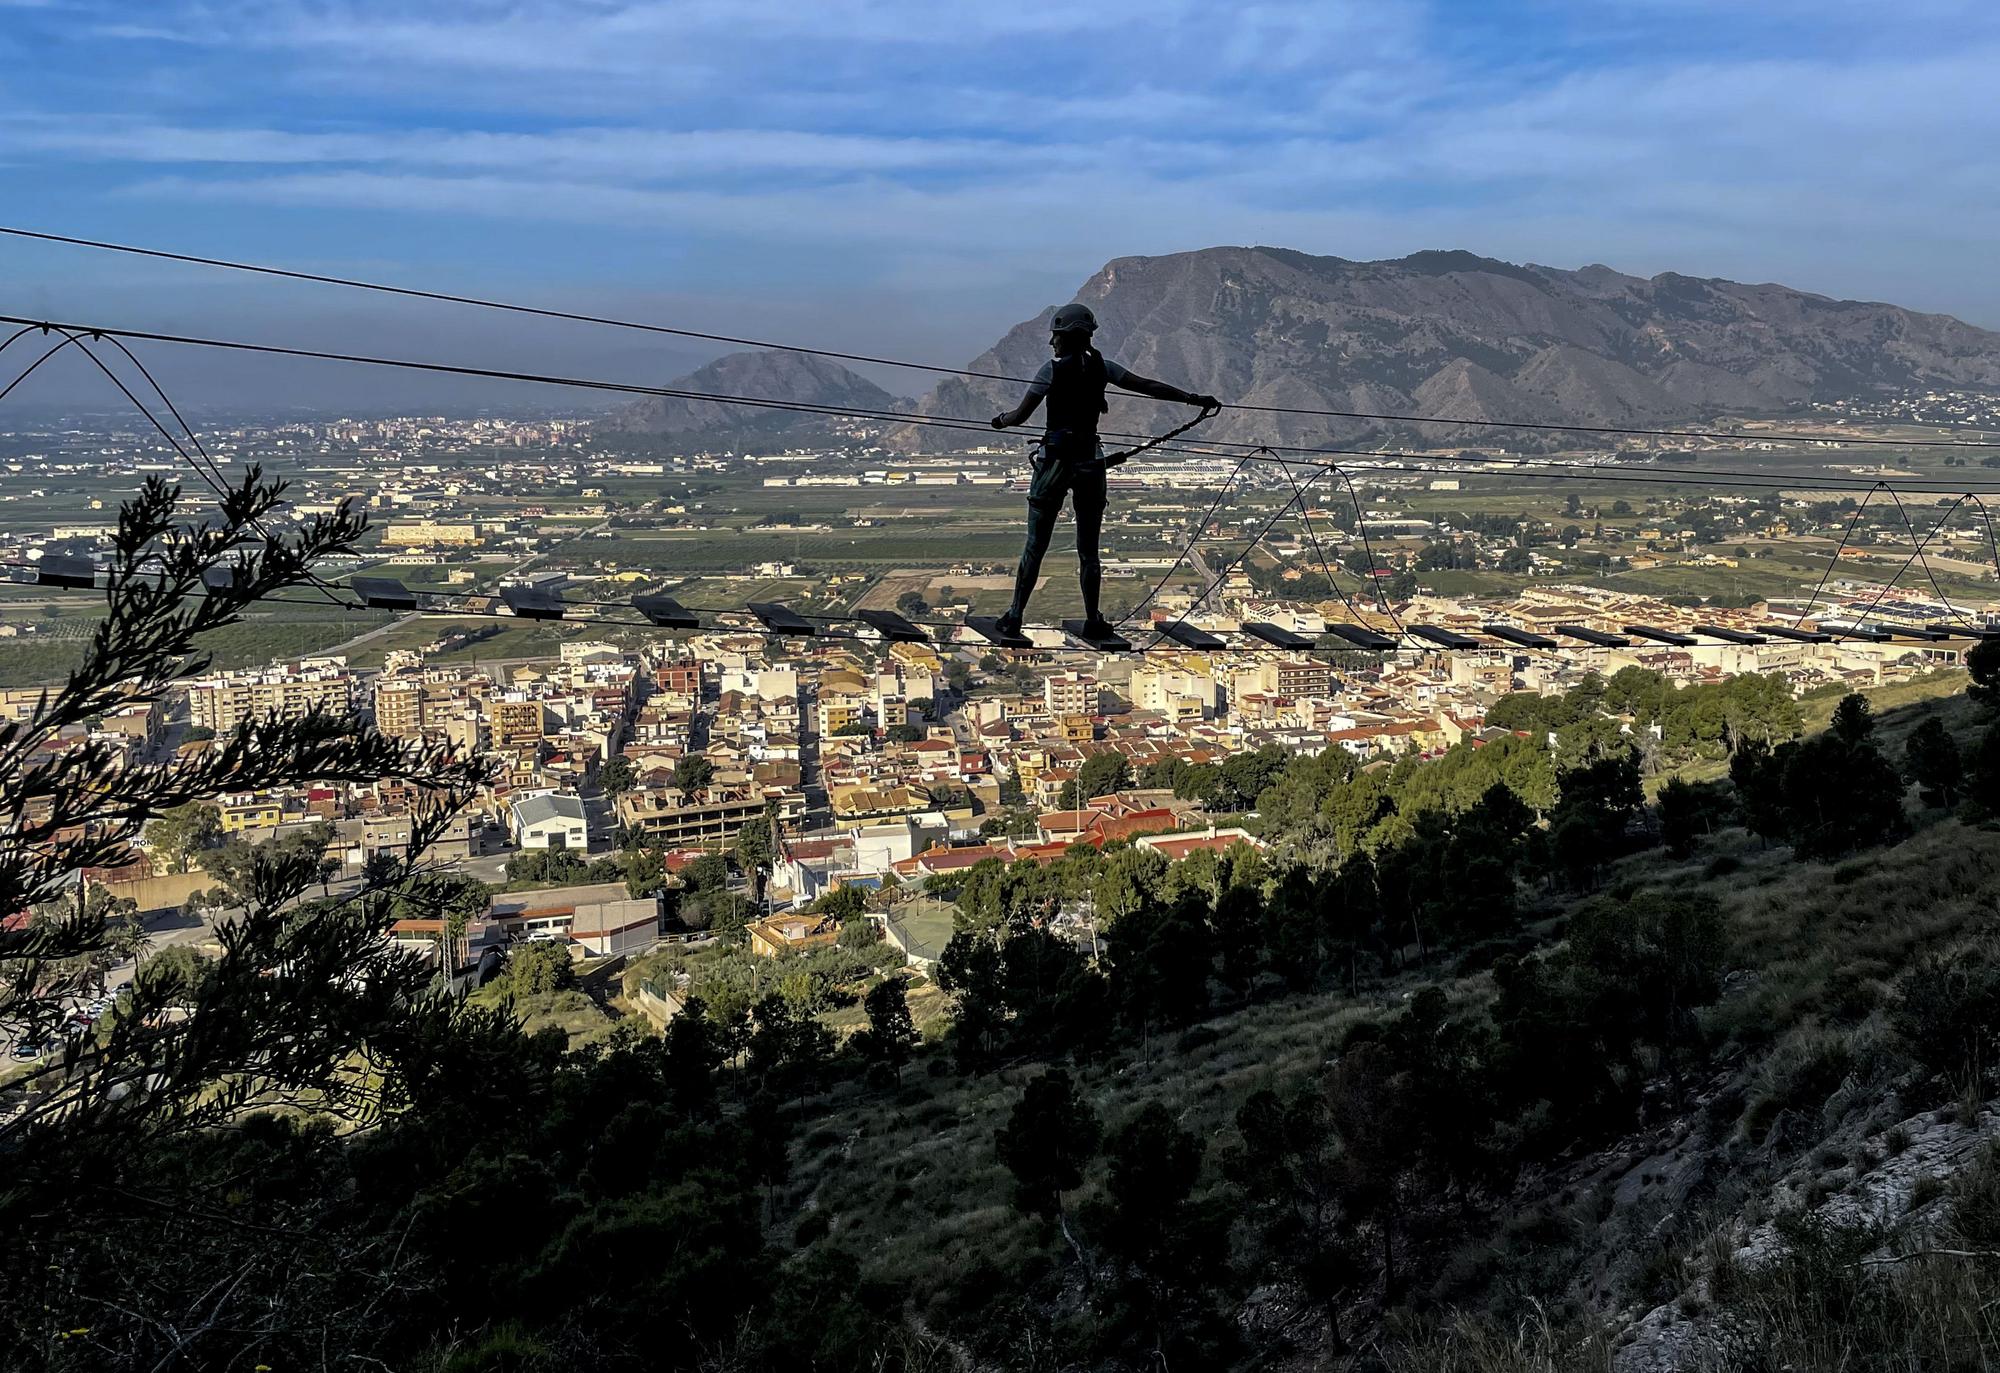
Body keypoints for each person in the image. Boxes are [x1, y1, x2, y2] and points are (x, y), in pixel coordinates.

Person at [989, 303, 1217, 640]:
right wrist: (1192, 399)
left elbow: (1021, 415)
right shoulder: (1103, 368)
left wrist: (1000, 420)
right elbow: (1148, 385)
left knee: (1036, 545)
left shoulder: (1049, 372)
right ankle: (1093, 618)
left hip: (1055, 462)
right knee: (1089, 550)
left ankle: (1015, 615)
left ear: (1065, 337)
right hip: (1091, 463)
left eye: (1055, 337)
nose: (1052, 343)